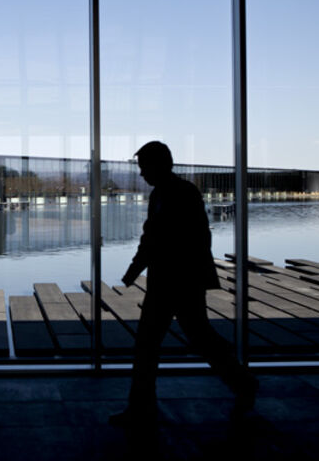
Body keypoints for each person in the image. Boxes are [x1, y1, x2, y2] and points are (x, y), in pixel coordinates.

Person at [110, 141, 257, 428]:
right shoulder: (172, 193)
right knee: (187, 339)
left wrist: (135, 270)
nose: (141, 174)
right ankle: (242, 382)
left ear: (158, 165)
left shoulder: (175, 194)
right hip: (177, 281)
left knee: (154, 343)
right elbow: (164, 238)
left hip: (176, 281)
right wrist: (135, 270)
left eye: (144, 167)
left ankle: (142, 408)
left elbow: (161, 239)